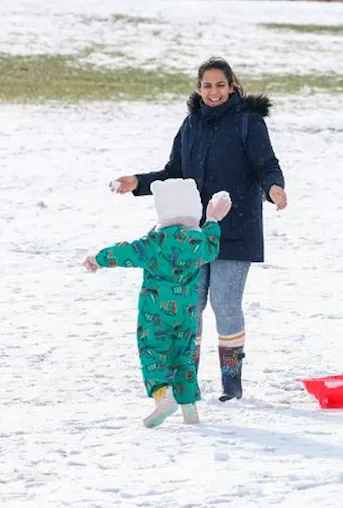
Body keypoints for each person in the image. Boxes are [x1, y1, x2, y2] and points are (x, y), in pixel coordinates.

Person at [111, 57, 288, 402]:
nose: (214, 91)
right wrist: (137, 182)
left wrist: (274, 189)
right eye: (207, 85)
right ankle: (185, 379)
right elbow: (173, 172)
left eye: (220, 85)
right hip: (191, 235)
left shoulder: (249, 123)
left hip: (236, 230)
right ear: (198, 89)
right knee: (189, 305)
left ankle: (231, 384)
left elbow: (266, 164)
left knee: (225, 303)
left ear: (233, 86)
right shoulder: (191, 124)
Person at [84, 178, 232, 428]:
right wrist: (214, 220)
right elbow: (212, 247)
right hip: (187, 314)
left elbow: (125, 252)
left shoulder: (154, 243)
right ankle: (189, 409)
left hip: (156, 314)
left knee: (153, 352)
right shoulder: (199, 245)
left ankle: (163, 396)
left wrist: (97, 259)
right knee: (182, 357)